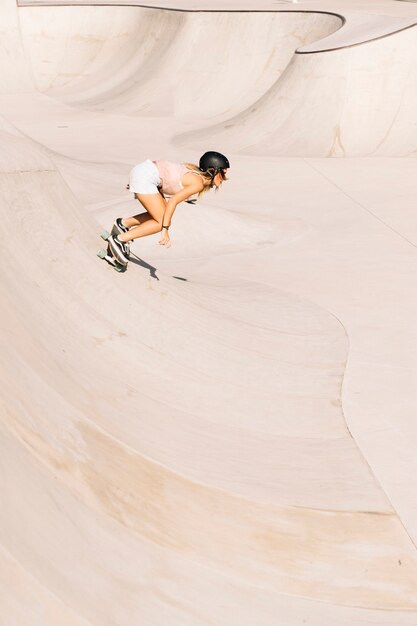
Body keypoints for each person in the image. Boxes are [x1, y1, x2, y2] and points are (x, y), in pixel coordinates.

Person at [107, 151, 230, 264]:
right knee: (161, 222)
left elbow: (167, 175)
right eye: (223, 171)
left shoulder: (195, 176)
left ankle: (123, 224)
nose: (226, 175)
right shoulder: (197, 182)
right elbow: (173, 201)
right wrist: (165, 229)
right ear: (213, 171)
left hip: (145, 173)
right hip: (146, 176)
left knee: (163, 214)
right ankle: (119, 240)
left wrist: (139, 178)